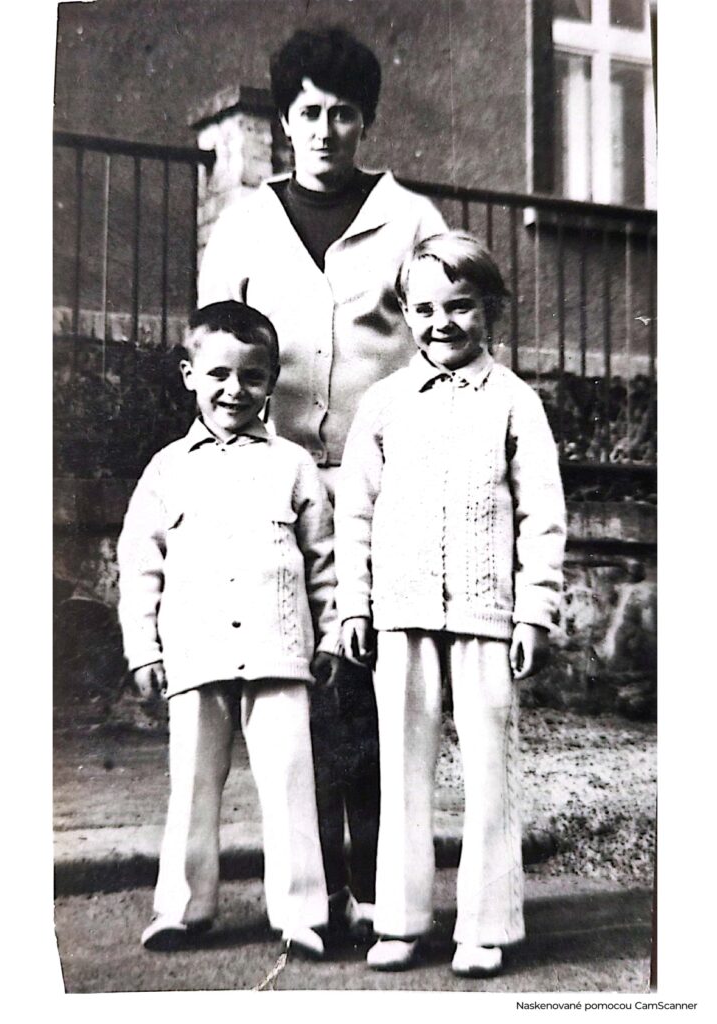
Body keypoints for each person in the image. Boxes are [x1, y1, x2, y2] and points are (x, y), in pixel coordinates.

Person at [198, 26, 447, 939]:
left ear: (366, 121)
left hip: (385, 490)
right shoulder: (245, 224)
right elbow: (216, 349)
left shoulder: (411, 220)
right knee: (299, 689)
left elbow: (445, 346)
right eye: (309, 112)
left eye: (344, 113)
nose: (325, 130)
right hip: (276, 490)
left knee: (374, 689)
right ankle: (321, 891)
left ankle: (379, 886)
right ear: (285, 120)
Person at [335, 232, 567, 976]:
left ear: (490, 308)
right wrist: (354, 604)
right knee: (403, 771)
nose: (442, 323)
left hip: (485, 616)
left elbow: (541, 515)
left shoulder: (515, 402)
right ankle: (401, 921)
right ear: (406, 314)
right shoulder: (384, 403)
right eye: (426, 309)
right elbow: (354, 514)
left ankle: (486, 926)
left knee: (490, 771)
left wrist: (534, 611)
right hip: (401, 615)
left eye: (460, 306)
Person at [117, 301, 343, 959]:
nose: (234, 390)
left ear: (271, 381)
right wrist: (143, 648)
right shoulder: (167, 469)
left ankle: (300, 914)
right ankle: (182, 909)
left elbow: (324, 560)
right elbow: (141, 565)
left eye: (251, 376)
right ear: (189, 375)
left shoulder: (293, 466)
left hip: (279, 651)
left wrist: (331, 634)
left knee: (289, 782)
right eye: (218, 374)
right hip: (197, 650)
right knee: (191, 783)